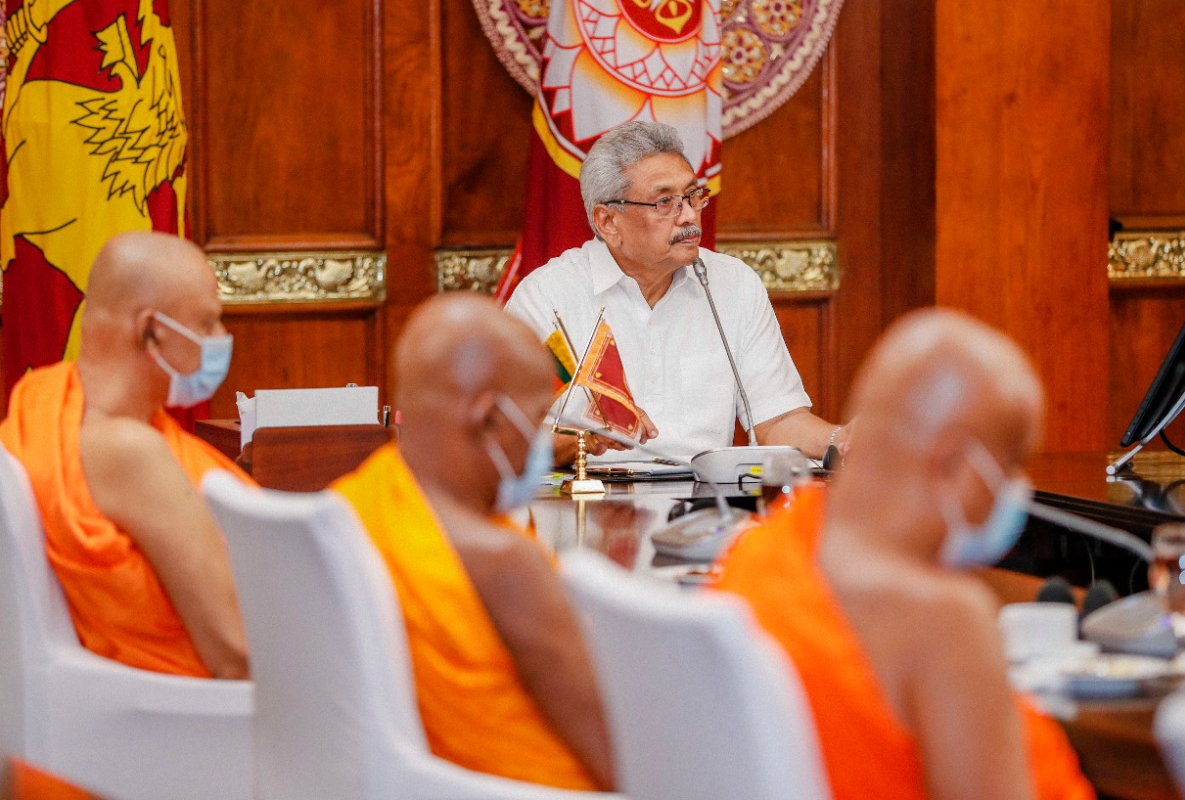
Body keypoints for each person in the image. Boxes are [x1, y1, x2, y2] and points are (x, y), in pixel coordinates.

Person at [715, 309, 1095, 800]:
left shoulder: (762, 549)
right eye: (1010, 466)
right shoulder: (945, 622)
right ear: (954, 466)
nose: (1016, 491)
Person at [330, 292, 613, 791]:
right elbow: (616, 753)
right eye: (538, 420)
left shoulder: (353, 503)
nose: (544, 444)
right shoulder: (503, 562)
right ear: (488, 420)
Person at [506, 121, 845, 465]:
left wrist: (842, 440)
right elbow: (507, 442)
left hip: (707, 503)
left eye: (693, 196)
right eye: (665, 202)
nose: (688, 216)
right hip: (587, 502)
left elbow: (780, 421)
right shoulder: (548, 298)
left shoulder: (733, 284)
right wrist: (584, 440)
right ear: (608, 221)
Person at [0, 232, 249, 680]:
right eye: (209, 323)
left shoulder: (44, 397)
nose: (222, 338)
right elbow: (235, 651)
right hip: (188, 721)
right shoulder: (130, 452)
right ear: (151, 332)